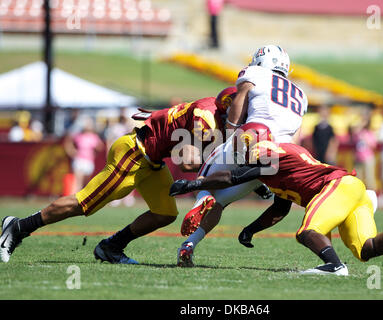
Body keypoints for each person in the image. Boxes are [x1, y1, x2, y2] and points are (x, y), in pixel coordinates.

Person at [0, 93, 229, 264]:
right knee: (83, 203)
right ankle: (18, 226)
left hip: (152, 161)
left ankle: (111, 247)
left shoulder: (212, 107)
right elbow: (187, 162)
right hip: (135, 153)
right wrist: (224, 169)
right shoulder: (207, 117)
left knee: (165, 213)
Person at [169, 140, 383, 275]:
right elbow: (280, 208)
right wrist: (250, 230)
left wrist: (194, 184)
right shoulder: (277, 164)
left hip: (337, 187)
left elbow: (233, 177)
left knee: (307, 231)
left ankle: (334, 266)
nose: (245, 161)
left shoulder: (270, 154)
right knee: (367, 249)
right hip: (352, 191)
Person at [176, 45, 309, 267]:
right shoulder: (301, 94)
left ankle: (200, 202)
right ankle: (189, 244)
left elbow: (240, 100)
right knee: (222, 202)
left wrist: (231, 131)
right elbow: (296, 135)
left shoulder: (255, 73)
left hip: (252, 137)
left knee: (207, 185)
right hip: (276, 156)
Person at [64, 117, 105, 192]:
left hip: (89, 161)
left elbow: (100, 147)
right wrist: (72, 152)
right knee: (78, 182)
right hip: (79, 160)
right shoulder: (79, 136)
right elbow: (69, 142)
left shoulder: (94, 137)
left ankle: (82, 200)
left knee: (86, 183)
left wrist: (94, 153)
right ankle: (74, 199)